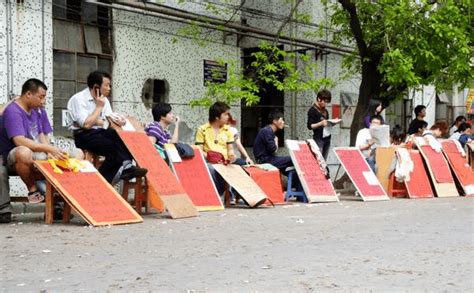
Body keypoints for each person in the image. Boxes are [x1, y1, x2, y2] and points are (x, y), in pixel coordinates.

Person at [67, 70, 147, 184]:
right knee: (115, 149)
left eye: (110, 85)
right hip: (83, 135)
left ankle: (120, 170)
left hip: (100, 133)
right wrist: (99, 107)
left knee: (122, 140)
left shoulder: (104, 100)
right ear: (96, 87)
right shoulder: (78, 99)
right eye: (107, 85)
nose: (109, 88)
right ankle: (108, 178)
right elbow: (86, 124)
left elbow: (108, 122)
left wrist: (119, 121)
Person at [0, 79, 68, 208]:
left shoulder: (37, 110)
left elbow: (41, 134)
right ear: (28, 94)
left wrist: (50, 152)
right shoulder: (13, 111)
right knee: (24, 152)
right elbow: (19, 141)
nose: (43, 102)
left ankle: (61, 203)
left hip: (36, 152)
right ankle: (33, 190)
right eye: (41, 97)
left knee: (75, 154)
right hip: (13, 155)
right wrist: (48, 149)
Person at [195, 101, 242, 195]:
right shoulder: (202, 129)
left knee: (243, 164)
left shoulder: (227, 129)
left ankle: (235, 193)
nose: (228, 117)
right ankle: (219, 194)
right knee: (210, 169)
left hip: (226, 160)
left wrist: (232, 155)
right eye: (225, 114)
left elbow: (230, 148)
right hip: (210, 161)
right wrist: (211, 158)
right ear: (217, 117)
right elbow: (199, 149)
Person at [253, 110, 293, 174]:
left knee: (288, 170)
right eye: (282, 120)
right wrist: (276, 141)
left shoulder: (268, 130)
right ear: (274, 121)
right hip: (265, 161)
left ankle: (293, 183)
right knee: (292, 159)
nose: (283, 122)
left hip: (268, 159)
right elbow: (273, 150)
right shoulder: (267, 131)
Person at [307, 89, 339, 159]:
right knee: (319, 160)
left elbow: (326, 123)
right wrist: (320, 123)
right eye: (325, 101)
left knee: (324, 160)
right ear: (319, 99)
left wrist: (332, 123)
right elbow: (310, 126)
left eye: (327, 102)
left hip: (327, 137)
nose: (326, 104)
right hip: (318, 138)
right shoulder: (312, 110)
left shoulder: (325, 111)